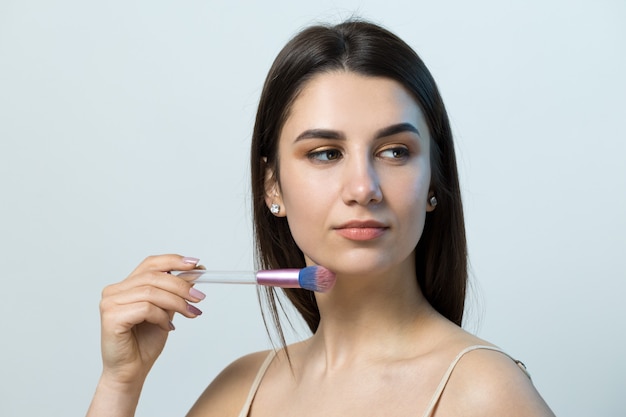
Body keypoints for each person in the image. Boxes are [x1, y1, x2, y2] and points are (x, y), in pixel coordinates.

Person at [87, 19, 555, 417]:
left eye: (395, 151)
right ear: (273, 187)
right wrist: (120, 383)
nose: (363, 188)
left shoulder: (485, 395)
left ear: (433, 181)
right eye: (326, 153)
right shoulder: (236, 394)